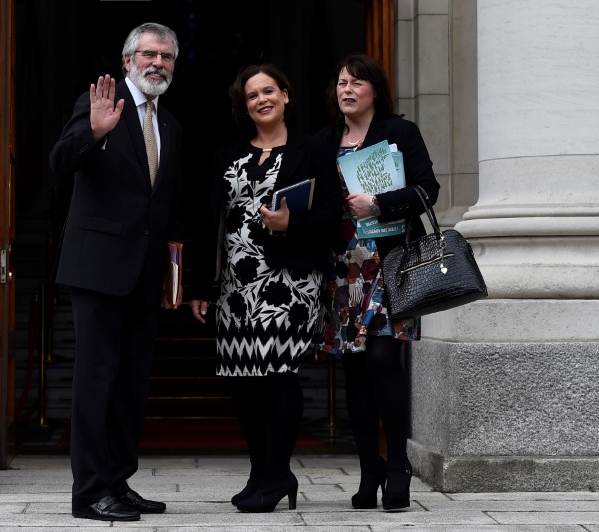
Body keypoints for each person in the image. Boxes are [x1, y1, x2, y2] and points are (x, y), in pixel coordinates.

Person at [186, 64, 342, 513]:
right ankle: (262, 473)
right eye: (252, 95)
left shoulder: (311, 151)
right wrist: (202, 286)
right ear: (245, 105)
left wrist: (293, 221)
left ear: (286, 95)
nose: (261, 100)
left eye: (268, 91)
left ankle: (275, 475)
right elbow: (208, 224)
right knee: (243, 382)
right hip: (235, 285)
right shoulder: (227, 156)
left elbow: (333, 215)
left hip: (289, 284)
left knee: (276, 375)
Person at [48, 22, 183, 522]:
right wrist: (93, 132)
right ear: (127, 61)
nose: (157, 63)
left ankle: (117, 482)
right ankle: (88, 493)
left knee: (131, 384)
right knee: (96, 380)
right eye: (147, 54)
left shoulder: (170, 125)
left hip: (145, 275)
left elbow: (167, 206)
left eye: (166, 56)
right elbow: (59, 162)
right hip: (98, 270)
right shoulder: (98, 105)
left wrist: (175, 273)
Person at [315, 54, 440, 512]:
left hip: (390, 266)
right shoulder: (324, 142)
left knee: (384, 359)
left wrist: (380, 204)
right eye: (341, 82)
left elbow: (428, 189)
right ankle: (369, 469)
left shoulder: (399, 133)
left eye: (357, 82)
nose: (346, 90)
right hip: (343, 269)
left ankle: (399, 468)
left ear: (375, 90)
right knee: (354, 370)